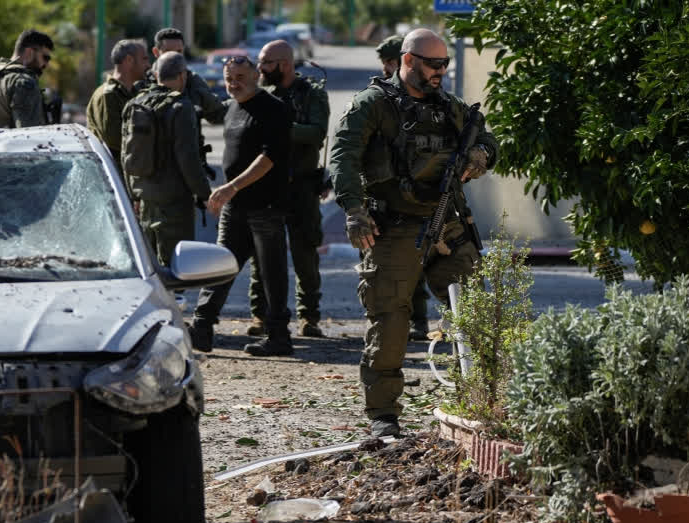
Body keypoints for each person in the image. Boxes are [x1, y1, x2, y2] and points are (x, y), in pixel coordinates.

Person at [328, 28, 497, 438]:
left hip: (446, 223)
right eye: (432, 64)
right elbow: (343, 157)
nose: (440, 71)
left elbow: (489, 140)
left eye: (444, 64)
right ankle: (383, 416)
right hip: (394, 227)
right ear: (407, 60)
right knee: (390, 321)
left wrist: (481, 154)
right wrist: (353, 210)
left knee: (474, 312)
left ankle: (478, 403)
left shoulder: (450, 108)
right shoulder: (373, 105)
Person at [188, 56, 293, 357]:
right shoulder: (233, 107)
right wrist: (230, 193)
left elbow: (269, 158)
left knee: (271, 272)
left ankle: (278, 336)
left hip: (266, 205)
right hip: (237, 206)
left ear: (257, 75)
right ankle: (202, 327)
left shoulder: (274, 109)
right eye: (229, 77)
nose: (233, 83)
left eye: (240, 77)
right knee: (221, 265)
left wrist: (231, 186)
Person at [244, 40, 330, 339]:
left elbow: (317, 133)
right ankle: (261, 314)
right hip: (268, 188)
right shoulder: (261, 95)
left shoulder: (312, 95)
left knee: (305, 252)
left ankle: (309, 317)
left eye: (266, 63)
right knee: (263, 255)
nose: (260, 68)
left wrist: (280, 129)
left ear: (285, 64)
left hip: (302, 186)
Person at [121, 52, 211, 267]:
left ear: (155, 74)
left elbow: (126, 155)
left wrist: (132, 195)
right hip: (174, 204)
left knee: (150, 269)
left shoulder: (134, 103)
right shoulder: (181, 106)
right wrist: (206, 194)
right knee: (177, 271)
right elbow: (188, 160)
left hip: (145, 202)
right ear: (182, 75)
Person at [377, 35, 432, 340]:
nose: (386, 67)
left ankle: (418, 321)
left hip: (415, 191)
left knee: (416, 262)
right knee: (379, 268)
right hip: (382, 192)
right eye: (384, 63)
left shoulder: (425, 97)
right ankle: (385, 324)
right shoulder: (374, 97)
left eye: (391, 61)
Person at [86, 39, 150, 174]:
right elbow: (114, 141)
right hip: (114, 177)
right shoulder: (108, 95)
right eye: (144, 59)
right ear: (129, 60)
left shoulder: (133, 93)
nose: (148, 65)